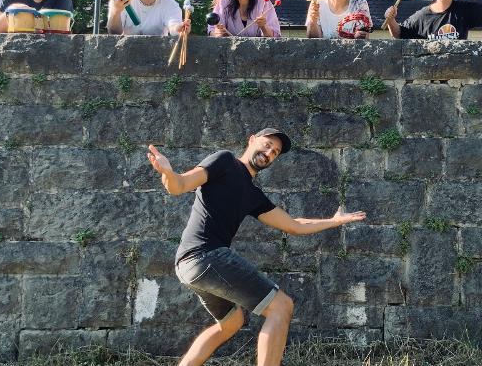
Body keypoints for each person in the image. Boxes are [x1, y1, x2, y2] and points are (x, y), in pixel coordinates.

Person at [146, 128, 365, 366]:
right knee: (281, 306)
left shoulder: (252, 194)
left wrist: (333, 221)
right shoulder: (225, 161)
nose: (270, 152)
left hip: (191, 265)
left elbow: (293, 225)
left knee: (231, 323)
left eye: (275, 152)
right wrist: (167, 172)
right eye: (268, 144)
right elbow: (179, 185)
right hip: (205, 256)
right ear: (251, 140)